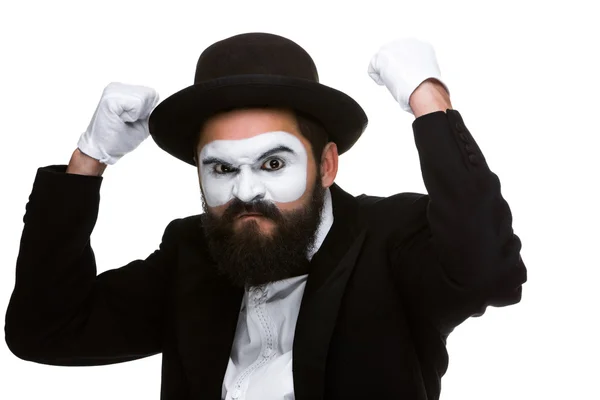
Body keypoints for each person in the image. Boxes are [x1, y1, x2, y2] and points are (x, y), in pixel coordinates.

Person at [4, 32, 527, 400]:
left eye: (274, 163)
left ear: (325, 165)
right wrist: (88, 162)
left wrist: (429, 103)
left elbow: (491, 274)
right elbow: (44, 331)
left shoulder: (390, 238)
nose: (246, 190)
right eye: (222, 167)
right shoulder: (193, 252)